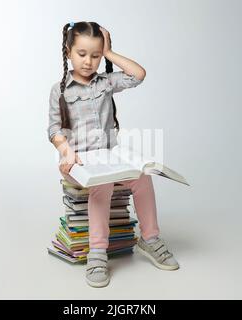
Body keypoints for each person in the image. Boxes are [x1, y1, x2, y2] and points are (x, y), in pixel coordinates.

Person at [47, 21, 179, 288]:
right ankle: (97, 252)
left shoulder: (105, 82)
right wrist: (65, 151)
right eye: (82, 54)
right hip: (79, 163)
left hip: (109, 157)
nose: (88, 61)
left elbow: (138, 75)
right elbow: (53, 129)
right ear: (68, 51)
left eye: (95, 55)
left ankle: (150, 238)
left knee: (143, 177)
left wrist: (110, 54)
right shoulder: (60, 90)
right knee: (103, 183)